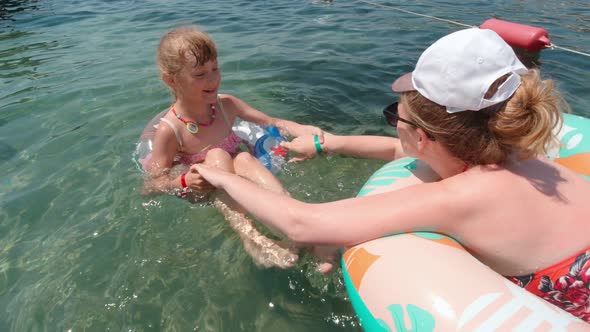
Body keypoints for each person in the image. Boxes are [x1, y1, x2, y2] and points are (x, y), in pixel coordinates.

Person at [193, 28, 590, 321]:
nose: (393, 126)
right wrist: (326, 142)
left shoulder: (461, 197)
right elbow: (402, 151)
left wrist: (224, 178)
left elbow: (300, 223)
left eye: (393, 116)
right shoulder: (525, 154)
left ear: (423, 135)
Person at [142, 26, 326, 269]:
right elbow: (151, 185)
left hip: (239, 171)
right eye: (200, 74)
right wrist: (183, 182)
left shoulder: (226, 105)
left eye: (215, 69)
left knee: (244, 159)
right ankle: (252, 239)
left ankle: (297, 223)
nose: (213, 79)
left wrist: (300, 128)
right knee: (218, 155)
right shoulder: (170, 130)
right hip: (206, 186)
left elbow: (271, 122)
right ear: (171, 80)